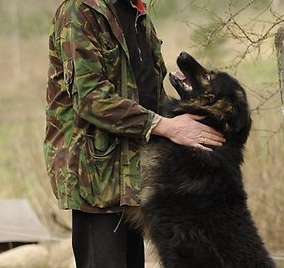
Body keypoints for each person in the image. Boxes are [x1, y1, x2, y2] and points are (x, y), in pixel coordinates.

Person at [44, 0, 225, 267]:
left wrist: (190, 126)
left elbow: (151, 93)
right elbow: (92, 99)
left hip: (136, 174)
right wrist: (166, 126)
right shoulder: (80, 11)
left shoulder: (138, 14)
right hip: (95, 176)